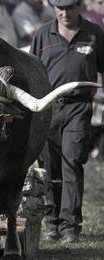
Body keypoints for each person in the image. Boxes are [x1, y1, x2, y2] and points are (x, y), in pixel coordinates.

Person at [30, 0, 104, 243]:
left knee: (72, 161)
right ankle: (52, 223)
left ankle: (70, 225)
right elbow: (32, 72)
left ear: (80, 6)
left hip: (78, 107)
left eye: (70, 7)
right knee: (50, 167)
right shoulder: (42, 34)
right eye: (59, 7)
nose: (64, 13)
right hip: (49, 107)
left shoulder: (94, 34)